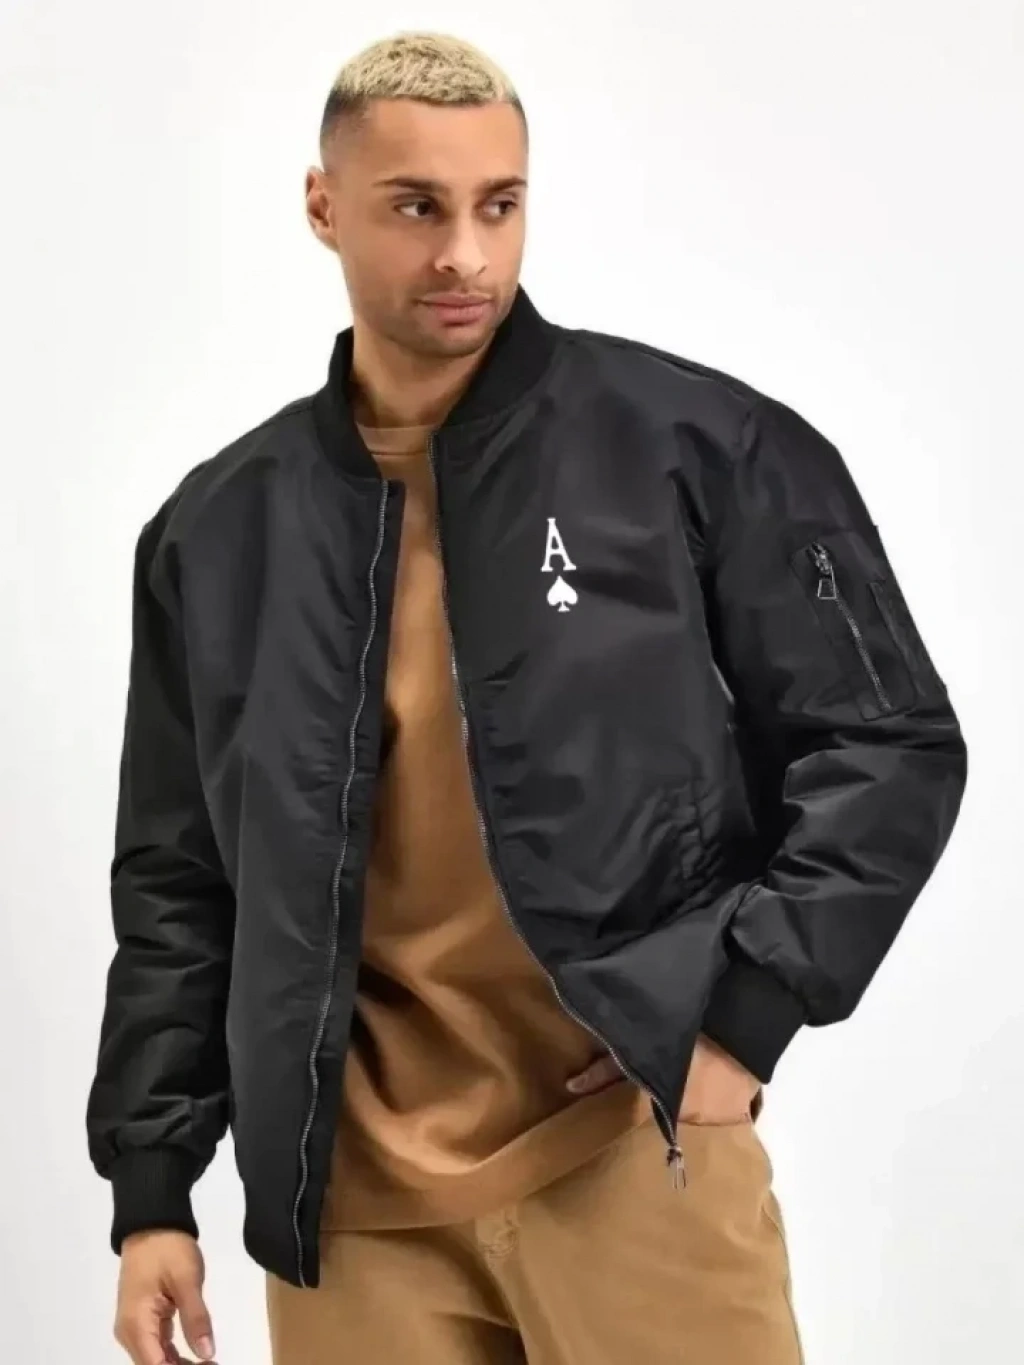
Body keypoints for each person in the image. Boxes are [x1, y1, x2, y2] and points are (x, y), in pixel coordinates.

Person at [86, 30, 968, 1365]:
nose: (466, 255)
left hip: (630, 1156)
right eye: (417, 208)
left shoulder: (697, 449)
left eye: (499, 205)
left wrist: (740, 1016)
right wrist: (153, 1193)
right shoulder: (217, 533)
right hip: (353, 1215)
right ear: (323, 205)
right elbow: (178, 879)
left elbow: (888, 741)